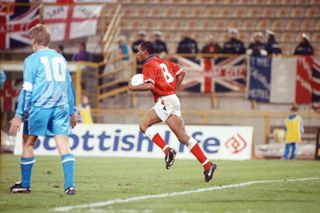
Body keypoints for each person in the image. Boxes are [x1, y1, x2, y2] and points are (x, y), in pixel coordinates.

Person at [128, 41, 217, 182]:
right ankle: (207, 165)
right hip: (172, 99)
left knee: (143, 125)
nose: (137, 54)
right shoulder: (164, 62)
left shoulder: (149, 64)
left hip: (165, 100)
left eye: (139, 51)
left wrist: (133, 88)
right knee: (183, 137)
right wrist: (173, 89)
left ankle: (168, 151)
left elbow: (150, 85)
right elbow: (181, 73)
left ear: (145, 52)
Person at [9, 24, 78, 194]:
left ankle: (25, 184)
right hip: (61, 107)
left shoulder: (31, 60)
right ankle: (70, 186)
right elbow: (69, 87)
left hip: (40, 107)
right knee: (63, 145)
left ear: (33, 40)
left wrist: (19, 115)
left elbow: (27, 89)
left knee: (28, 144)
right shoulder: (60, 58)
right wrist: (72, 111)